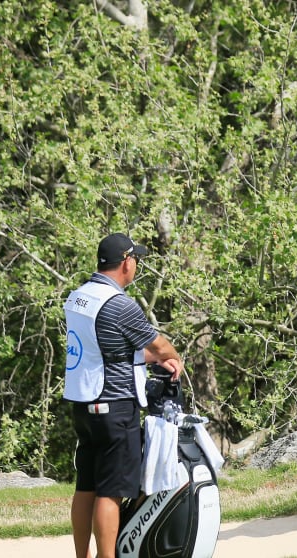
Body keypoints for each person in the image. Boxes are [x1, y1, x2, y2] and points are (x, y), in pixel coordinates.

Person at [63, 233, 184, 558]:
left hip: (84, 405)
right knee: (110, 491)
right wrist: (171, 357)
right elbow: (158, 345)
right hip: (115, 406)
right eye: (137, 260)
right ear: (126, 263)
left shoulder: (78, 298)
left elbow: (106, 351)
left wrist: (151, 358)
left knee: (86, 485)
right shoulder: (119, 304)